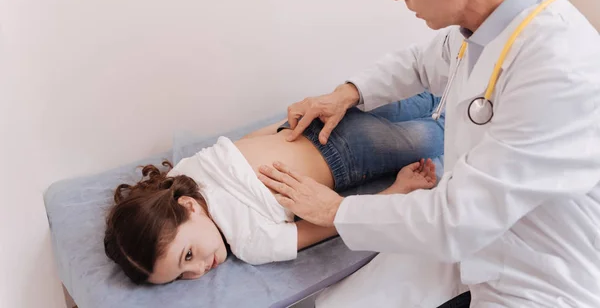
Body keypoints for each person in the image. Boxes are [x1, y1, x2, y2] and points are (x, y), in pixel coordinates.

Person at [257, 0, 600, 307]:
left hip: (536, 269)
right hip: (465, 236)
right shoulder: (490, 25)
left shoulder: (562, 69)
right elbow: (421, 63)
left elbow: (459, 219)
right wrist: (347, 93)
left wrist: (335, 210)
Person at [103, 92, 444, 285]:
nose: (197, 270)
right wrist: (396, 191)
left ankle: (470, 86)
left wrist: (290, 124)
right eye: (182, 276)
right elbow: (323, 223)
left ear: (188, 206)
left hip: (321, 132)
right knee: (431, 132)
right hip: (347, 156)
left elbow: (244, 143)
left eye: (188, 256)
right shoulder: (247, 240)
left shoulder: (188, 176)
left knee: (412, 102)